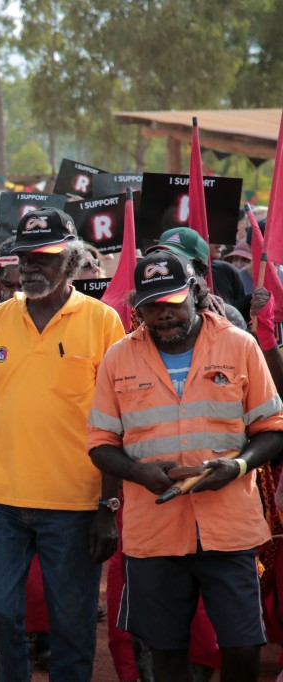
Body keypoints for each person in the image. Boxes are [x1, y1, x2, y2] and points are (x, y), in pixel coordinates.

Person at [88, 251, 283, 682]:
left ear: (196, 292)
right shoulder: (118, 358)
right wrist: (139, 473)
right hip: (154, 533)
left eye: (172, 303)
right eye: (151, 306)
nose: (162, 315)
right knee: (166, 652)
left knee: (243, 646)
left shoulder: (239, 345)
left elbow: (273, 430)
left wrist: (236, 467)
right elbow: (101, 445)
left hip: (229, 529)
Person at [0, 208, 124, 681]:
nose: (31, 266)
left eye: (44, 258)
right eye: (25, 256)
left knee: (73, 627)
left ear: (72, 262)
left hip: (75, 503)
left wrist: (107, 506)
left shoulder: (103, 322)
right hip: (3, 501)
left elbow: (115, 422)